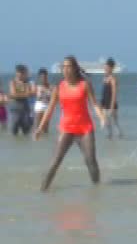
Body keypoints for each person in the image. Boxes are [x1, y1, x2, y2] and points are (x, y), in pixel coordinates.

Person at [34, 56, 106, 192]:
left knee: (90, 160)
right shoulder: (58, 87)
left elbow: (94, 104)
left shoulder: (85, 84)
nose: (65, 69)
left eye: (68, 66)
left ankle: (97, 189)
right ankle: (42, 190)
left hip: (85, 128)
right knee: (55, 161)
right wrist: (40, 128)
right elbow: (50, 109)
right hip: (66, 128)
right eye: (64, 67)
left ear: (75, 68)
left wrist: (102, 117)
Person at [8, 64, 34, 136]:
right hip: (15, 109)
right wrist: (25, 94)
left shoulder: (27, 82)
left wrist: (17, 95)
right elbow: (14, 94)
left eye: (23, 73)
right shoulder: (13, 82)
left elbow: (31, 93)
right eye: (20, 72)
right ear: (17, 73)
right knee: (14, 131)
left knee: (26, 132)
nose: (22, 74)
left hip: (25, 108)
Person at [101, 58, 123, 139]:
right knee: (106, 121)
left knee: (115, 122)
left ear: (111, 68)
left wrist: (111, 107)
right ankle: (109, 136)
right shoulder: (104, 78)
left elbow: (114, 93)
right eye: (105, 67)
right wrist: (101, 104)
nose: (105, 69)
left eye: (107, 67)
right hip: (105, 103)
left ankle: (120, 136)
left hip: (112, 104)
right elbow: (104, 92)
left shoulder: (113, 79)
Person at [33, 68, 53, 135]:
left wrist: (47, 95)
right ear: (39, 77)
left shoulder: (50, 86)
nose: (44, 78)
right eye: (42, 77)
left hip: (47, 106)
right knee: (37, 125)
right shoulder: (37, 86)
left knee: (46, 127)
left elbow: (52, 97)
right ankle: (36, 138)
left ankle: (45, 139)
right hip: (39, 105)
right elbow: (35, 95)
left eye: (45, 77)